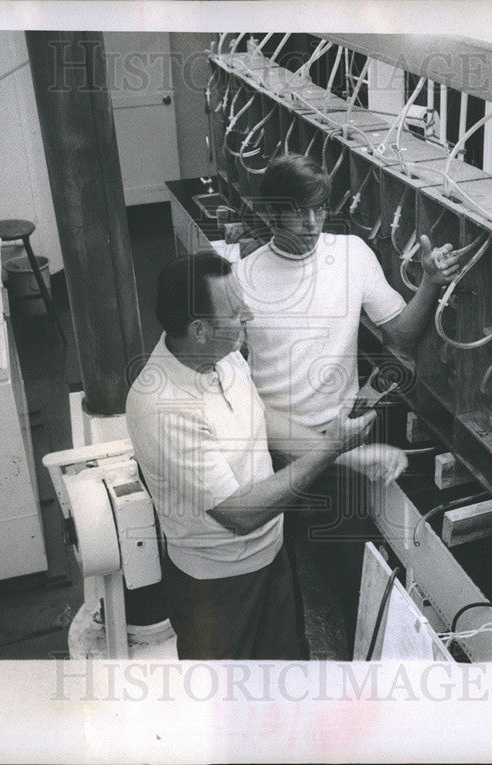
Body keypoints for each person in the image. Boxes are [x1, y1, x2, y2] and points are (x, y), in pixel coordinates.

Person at [232, 154, 462, 655]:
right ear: (271, 214)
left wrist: (428, 283)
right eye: (298, 212)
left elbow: (401, 331)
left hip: (338, 448)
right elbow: (235, 391)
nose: (313, 223)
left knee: (350, 578)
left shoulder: (353, 254)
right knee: (273, 587)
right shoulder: (240, 279)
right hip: (270, 454)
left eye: (319, 208)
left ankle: (356, 685)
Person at [125, 252, 382, 660]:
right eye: (235, 311)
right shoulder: (161, 406)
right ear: (199, 330)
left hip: (272, 558)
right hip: (216, 588)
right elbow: (239, 514)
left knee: (285, 677)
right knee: (228, 705)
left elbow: (260, 418)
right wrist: (331, 447)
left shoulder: (223, 357)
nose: (248, 315)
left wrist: (345, 456)